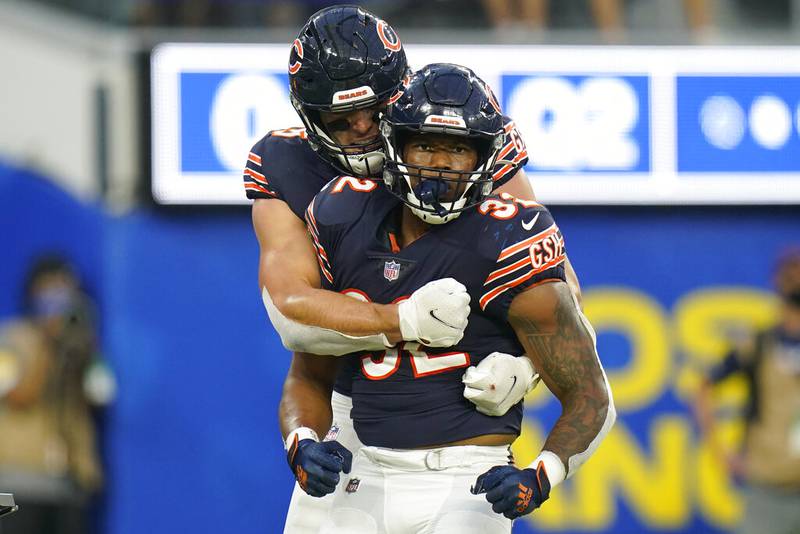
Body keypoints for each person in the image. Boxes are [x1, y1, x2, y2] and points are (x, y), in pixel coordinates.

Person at [244, 6, 585, 532]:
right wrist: (401, 320)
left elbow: (561, 294)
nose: (361, 131)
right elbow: (292, 314)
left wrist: (530, 369)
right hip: (353, 410)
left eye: (375, 112)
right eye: (341, 120)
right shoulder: (285, 163)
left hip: (456, 430)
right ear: (310, 118)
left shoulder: (460, 146)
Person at [0, 255, 114, 534]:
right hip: (14, 487)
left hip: (68, 488)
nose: (58, 299)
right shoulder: (12, 339)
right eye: (50, 288)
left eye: (66, 289)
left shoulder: (80, 344)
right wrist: (47, 344)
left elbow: (101, 394)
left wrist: (83, 354)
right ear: (33, 292)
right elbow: (17, 395)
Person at [694, 248, 800, 534]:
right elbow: (704, 386)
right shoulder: (758, 344)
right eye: (790, 275)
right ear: (777, 281)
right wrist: (720, 453)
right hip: (769, 489)